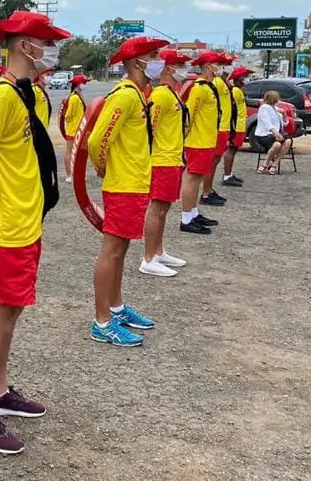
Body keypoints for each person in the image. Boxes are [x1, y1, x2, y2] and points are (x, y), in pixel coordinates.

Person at [0, 11, 67, 454]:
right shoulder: (2, 96)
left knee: (11, 314)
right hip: (8, 226)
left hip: (25, 221)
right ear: (26, 46)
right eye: (47, 41)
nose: (53, 50)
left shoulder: (25, 93)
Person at [87, 35, 169, 347]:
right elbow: (97, 141)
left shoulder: (138, 94)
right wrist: (104, 167)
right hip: (122, 185)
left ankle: (116, 308)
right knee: (112, 250)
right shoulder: (124, 96)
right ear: (138, 62)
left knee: (121, 250)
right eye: (154, 54)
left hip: (135, 183)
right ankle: (102, 321)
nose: (160, 60)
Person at [141, 49, 192, 276]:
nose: (184, 69)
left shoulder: (172, 94)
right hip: (161, 159)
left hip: (172, 158)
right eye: (180, 65)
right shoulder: (160, 95)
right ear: (169, 68)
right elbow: (148, 129)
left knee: (164, 209)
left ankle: (158, 251)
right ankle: (148, 257)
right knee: (157, 209)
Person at [179, 51, 222, 234]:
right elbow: (189, 115)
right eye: (216, 64)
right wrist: (184, 139)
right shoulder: (199, 88)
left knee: (198, 180)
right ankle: (186, 218)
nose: (219, 68)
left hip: (206, 140)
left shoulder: (209, 87)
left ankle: (194, 213)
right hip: (197, 142)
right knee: (192, 179)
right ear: (207, 67)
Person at [202, 53, 235, 205]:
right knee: (212, 162)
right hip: (219, 127)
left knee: (215, 161)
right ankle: (206, 192)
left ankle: (209, 190)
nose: (227, 68)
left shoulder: (223, 82)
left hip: (224, 127)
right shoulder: (215, 82)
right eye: (223, 64)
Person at [221, 66, 254, 186]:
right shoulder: (235, 91)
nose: (246, 78)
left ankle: (229, 174)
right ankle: (226, 176)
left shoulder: (239, 90)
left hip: (240, 124)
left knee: (234, 150)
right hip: (236, 125)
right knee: (231, 149)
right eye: (245, 76)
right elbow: (231, 108)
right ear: (239, 78)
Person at [253, 90, 293, 174]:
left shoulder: (276, 108)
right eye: (277, 98)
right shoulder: (264, 108)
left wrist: (284, 115)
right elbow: (267, 123)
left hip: (275, 134)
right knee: (277, 144)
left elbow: (285, 124)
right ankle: (266, 163)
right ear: (273, 99)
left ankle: (275, 163)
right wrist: (276, 134)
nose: (279, 100)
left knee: (288, 141)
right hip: (264, 134)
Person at [60, 74, 89, 182]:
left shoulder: (79, 96)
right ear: (78, 84)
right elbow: (67, 115)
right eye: (84, 83)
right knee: (69, 151)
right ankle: (69, 175)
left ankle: (76, 174)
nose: (85, 85)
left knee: (78, 154)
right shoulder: (74, 98)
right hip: (73, 130)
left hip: (79, 130)